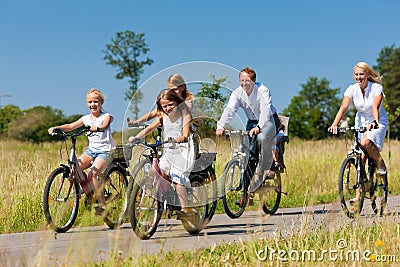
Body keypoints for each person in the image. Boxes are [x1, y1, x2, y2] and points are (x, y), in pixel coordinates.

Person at [328, 62, 388, 204]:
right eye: (356, 75)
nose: (359, 77)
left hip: (377, 119)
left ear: (367, 75)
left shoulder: (376, 88)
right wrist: (335, 124)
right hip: (360, 120)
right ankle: (358, 195)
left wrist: (374, 121)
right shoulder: (351, 89)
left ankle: (381, 165)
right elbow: (344, 107)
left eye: (361, 74)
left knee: (366, 142)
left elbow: (375, 105)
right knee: (358, 158)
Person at [48, 88, 115, 216]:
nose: (93, 104)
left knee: (92, 175)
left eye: (96, 101)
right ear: (86, 103)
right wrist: (56, 128)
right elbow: (70, 126)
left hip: (105, 151)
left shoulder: (106, 116)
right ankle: (88, 191)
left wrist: (98, 128)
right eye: (90, 102)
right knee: (74, 167)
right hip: (91, 150)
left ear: (101, 102)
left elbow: (105, 125)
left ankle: (102, 205)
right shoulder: (85, 119)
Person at [129, 89, 195, 215]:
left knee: (177, 178)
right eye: (164, 106)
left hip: (183, 150)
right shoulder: (163, 116)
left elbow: (186, 131)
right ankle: (168, 200)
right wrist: (136, 138)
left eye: (171, 104)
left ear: (178, 102)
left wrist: (183, 137)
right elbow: (149, 128)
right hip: (169, 150)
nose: (168, 108)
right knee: (156, 173)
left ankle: (185, 209)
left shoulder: (184, 114)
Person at [216, 67, 277, 196]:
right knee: (249, 154)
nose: (244, 83)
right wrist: (221, 126)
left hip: (270, 120)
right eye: (241, 80)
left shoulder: (262, 90)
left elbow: (265, 111)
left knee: (261, 138)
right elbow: (230, 110)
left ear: (254, 80)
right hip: (252, 121)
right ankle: (246, 192)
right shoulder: (238, 93)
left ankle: (269, 165)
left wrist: (259, 127)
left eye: (247, 81)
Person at [128, 73, 194, 125]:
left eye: (175, 89)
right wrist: (137, 122)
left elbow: (186, 115)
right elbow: (151, 114)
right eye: (170, 90)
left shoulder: (188, 101)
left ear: (183, 87)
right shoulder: (169, 102)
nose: (173, 92)